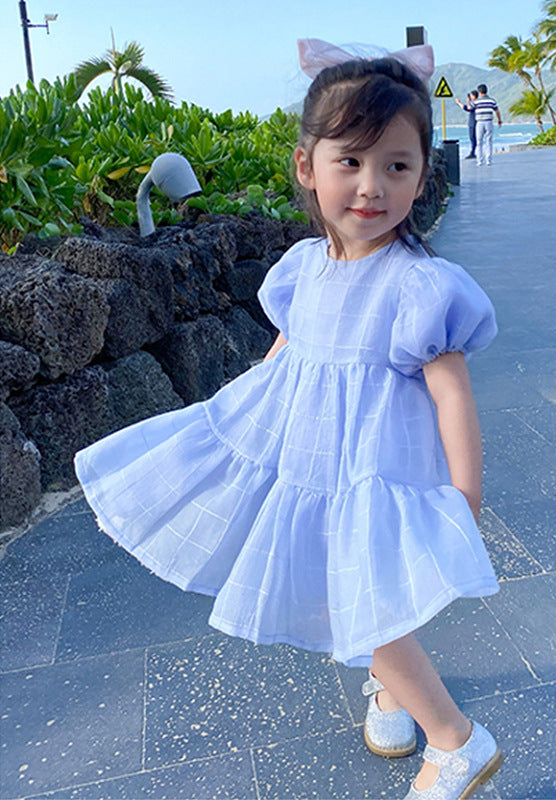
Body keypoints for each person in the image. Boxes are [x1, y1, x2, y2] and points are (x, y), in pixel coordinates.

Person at [74, 37, 503, 800]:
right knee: (355, 588)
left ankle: (457, 741)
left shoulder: (419, 285)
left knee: (355, 598)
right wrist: (241, 419)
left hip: (377, 466)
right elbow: (288, 350)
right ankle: (391, 687)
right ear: (307, 167)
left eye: (396, 166)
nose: (371, 186)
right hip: (309, 457)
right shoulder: (303, 267)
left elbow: (451, 391)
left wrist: (464, 495)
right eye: (350, 162)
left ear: (421, 176)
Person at [473, 84, 502, 166]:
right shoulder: (492, 101)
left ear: (479, 92)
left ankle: (479, 160)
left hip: (479, 122)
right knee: (489, 141)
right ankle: (488, 160)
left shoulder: (476, 101)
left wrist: (468, 100)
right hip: (489, 121)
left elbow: (469, 107)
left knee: (479, 142)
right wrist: (499, 120)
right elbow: (497, 111)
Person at [455, 90, 478, 158]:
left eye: (471, 96)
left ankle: (473, 152)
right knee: (474, 138)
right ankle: (474, 151)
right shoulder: (477, 103)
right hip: (474, 122)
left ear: (474, 96)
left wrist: (460, 103)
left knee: (473, 138)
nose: (470, 97)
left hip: (473, 123)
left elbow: (467, 108)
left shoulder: (475, 103)